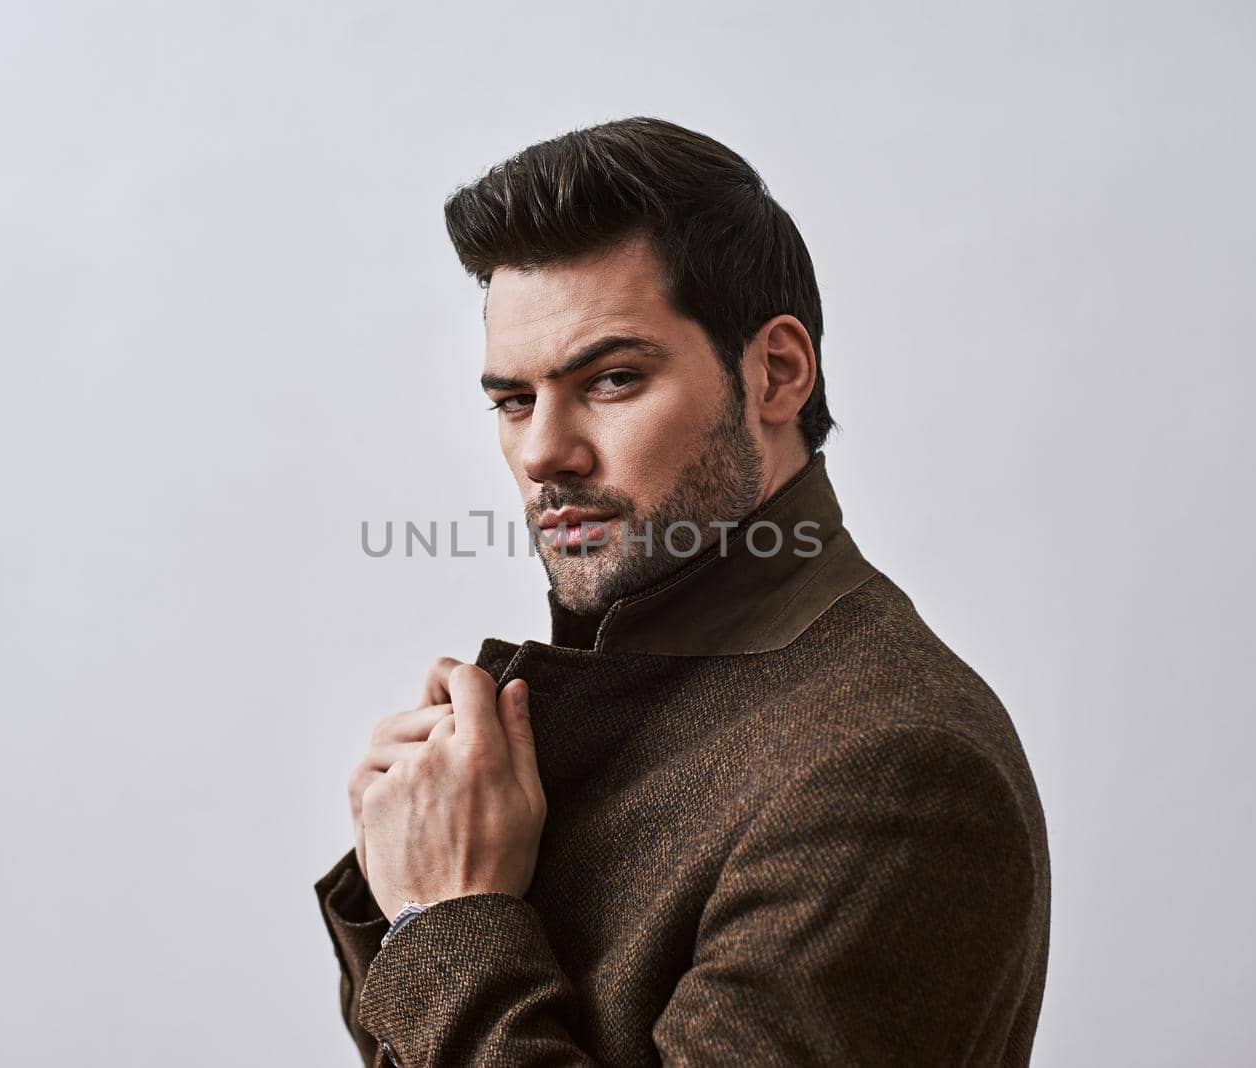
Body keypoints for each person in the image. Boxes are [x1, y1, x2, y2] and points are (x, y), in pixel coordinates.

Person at [313, 116, 1050, 1067]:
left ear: (777, 372)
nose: (542, 451)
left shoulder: (894, 769)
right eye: (513, 400)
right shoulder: (594, 717)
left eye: (613, 379)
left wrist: (443, 919)